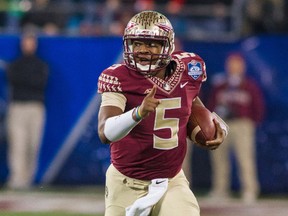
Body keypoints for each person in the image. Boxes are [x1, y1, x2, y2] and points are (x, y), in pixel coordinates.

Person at [97, 10, 228, 216]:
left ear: (167, 45)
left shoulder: (189, 68)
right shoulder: (118, 77)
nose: (142, 50)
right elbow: (106, 132)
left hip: (171, 181)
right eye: (137, 43)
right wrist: (138, 113)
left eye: (151, 44)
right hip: (126, 182)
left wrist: (219, 127)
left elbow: (192, 103)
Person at [207, 52, 265, 203]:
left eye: (237, 63)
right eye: (231, 63)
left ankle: (249, 190)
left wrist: (251, 123)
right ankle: (220, 190)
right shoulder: (221, 84)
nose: (234, 67)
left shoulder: (249, 85)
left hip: (242, 124)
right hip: (221, 123)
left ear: (243, 66)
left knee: (245, 158)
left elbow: (258, 106)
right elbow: (212, 104)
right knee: (219, 159)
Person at [6, 32, 49, 190]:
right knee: (18, 143)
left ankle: (28, 179)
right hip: (18, 106)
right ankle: (17, 179)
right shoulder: (15, 64)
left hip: (35, 107)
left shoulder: (40, 65)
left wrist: (27, 82)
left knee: (33, 143)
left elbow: (40, 82)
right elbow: (14, 79)